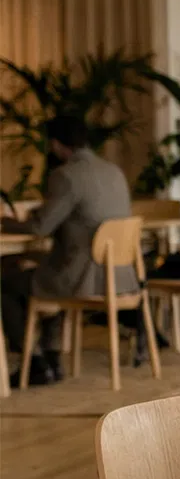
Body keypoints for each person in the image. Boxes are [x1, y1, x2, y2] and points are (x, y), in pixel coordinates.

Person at [1, 115, 138, 384]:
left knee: (6, 284)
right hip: (120, 275)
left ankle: (34, 361)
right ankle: (51, 354)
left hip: (83, 278)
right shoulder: (114, 172)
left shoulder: (66, 175)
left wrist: (5, 221)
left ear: (55, 144)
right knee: (43, 269)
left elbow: (40, 227)